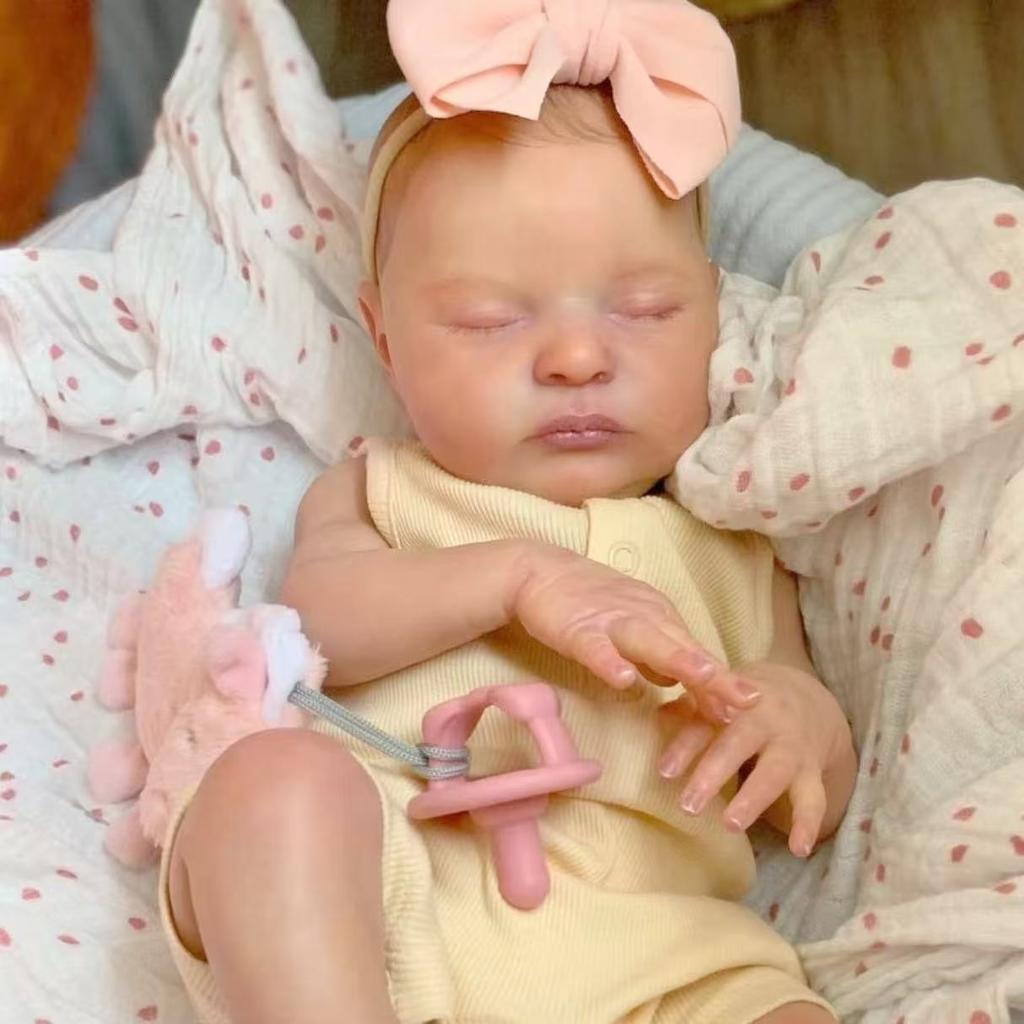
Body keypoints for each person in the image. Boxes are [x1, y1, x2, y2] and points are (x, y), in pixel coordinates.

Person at [160, 2, 856, 1021]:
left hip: (662, 965)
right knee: (271, 785)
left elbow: (814, 780)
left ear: (714, 310)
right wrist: (516, 576)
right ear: (386, 341)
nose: (576, 357)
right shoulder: (379, 490)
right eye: (490, 321)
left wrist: (797, 725)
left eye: (645, 311)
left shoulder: (732, 534)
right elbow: (322, 627)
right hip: (384, 916)